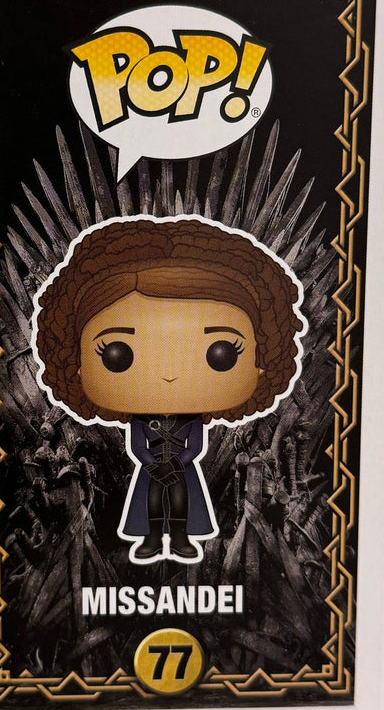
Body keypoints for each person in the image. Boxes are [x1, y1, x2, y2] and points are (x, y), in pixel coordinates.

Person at [32, 216, 306, 565]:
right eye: (117, 354)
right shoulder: (138, 419)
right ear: (77, 363)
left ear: (262, 359)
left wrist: (179, 462)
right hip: (152, 469)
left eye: (221, 352)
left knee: (181, 502)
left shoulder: (192, 419)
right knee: (150, 502)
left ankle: (180, 538)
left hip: (181, 466)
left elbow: (195, 444)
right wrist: (152, 464)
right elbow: (137, 444)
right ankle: (150, 538)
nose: (169, 375)